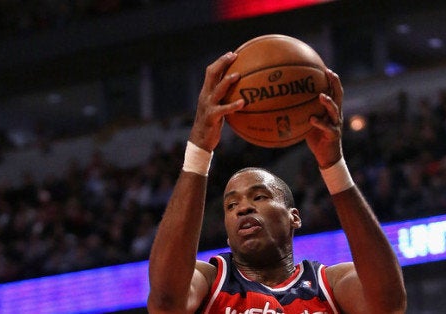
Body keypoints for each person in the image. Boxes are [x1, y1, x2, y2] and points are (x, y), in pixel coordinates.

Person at [148, 52, 407, 313]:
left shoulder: (331, 284)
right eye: (231, 205)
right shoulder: (210, 281)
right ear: (227, 233)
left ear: (294, 217)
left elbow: (388, 303)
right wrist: (199, 149)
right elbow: (166, 300)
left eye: (259, 197)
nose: (243, 208)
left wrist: (333, 165)